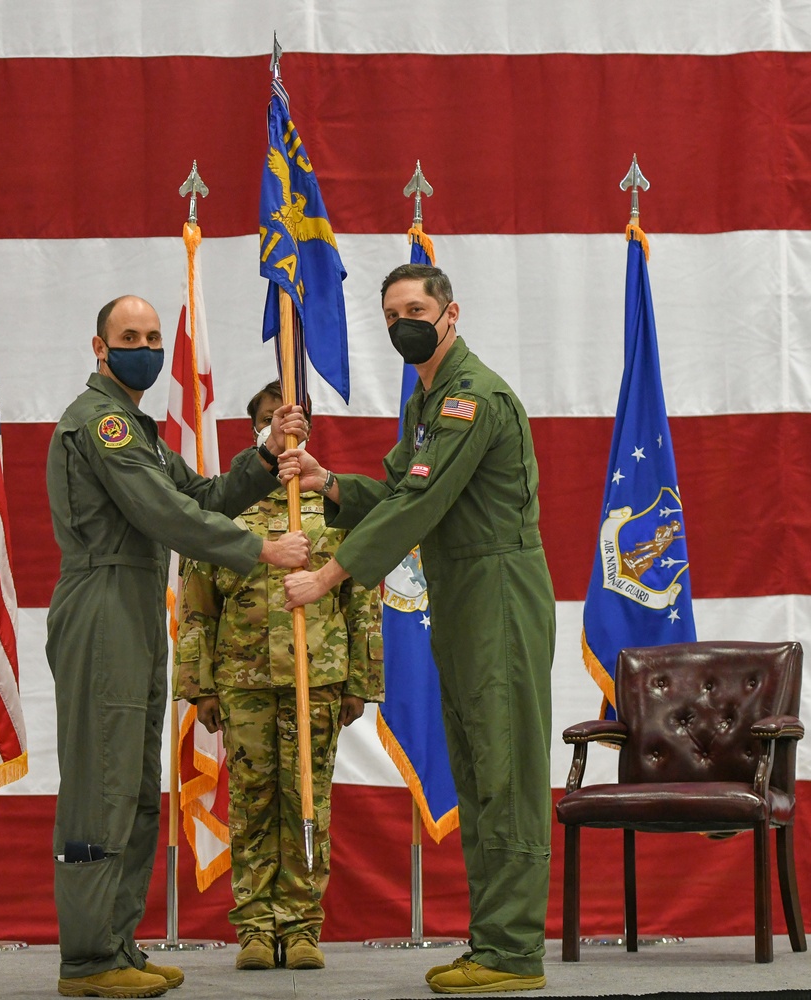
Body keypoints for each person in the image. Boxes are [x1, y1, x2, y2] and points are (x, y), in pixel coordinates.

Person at [282, 264, 555, 995]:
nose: (404, 321)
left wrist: (330, 576)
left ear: (450, 313)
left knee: (506, 768)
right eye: (392, 311)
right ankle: (493, 939)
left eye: (416, 308)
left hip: (497, 586)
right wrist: (328, 483)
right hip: (460, 590)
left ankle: (514, 950)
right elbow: (397, 491)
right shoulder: (427, 403)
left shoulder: (473, 398)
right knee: (473, 765)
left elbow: (415, 510)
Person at [45, 296, 311, 999]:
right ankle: (87, 960)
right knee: (102, 781)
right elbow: (166, 514)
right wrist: (264, 550)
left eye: (154, 336)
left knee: (132, 785)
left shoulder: (140, 429)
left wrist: (265, 453)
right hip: (102, 601)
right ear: (99, 348)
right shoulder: (102, 423)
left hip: (132, 604)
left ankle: (116, 942)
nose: (146, 347)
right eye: (130, 336)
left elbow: (203, 493)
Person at [173, 380, 384, 972]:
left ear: (309, 432)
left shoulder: (330, 504)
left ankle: (302, 924)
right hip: (243, 681)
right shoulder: (227, 507)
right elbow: (196, 603)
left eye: (293, 421)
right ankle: (256, 930)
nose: (283, 429)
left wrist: (360, 682)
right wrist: (201, 685)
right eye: (271, 421)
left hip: (315, 676)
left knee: (308, 800)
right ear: (255, 432)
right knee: (252, 801)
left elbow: (361, 594)